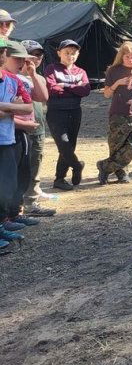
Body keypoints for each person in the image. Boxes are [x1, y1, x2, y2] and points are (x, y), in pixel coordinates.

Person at [4, 41, 49, 232]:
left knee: (21, 175)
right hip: (10, 134)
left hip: (21, 134)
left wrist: (32, 73)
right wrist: (17, 114)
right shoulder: (7, 79)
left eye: (25, 59)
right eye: (18, 59)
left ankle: (15, 213)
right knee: (7, 178)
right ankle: (5, 218)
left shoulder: (19, 79)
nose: (22, 63)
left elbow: (35, 101)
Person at [96, 42, 132, 185]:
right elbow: (106, 94)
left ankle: (104, 167)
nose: (130, 60)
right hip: (118, 113)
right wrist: (117, 83)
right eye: (127, 57)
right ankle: (121, 174)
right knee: (116, 145)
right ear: (121, 56)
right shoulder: (113, 70)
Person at [0, 39, 36, 246]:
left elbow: (28, 108)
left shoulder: (13, 80)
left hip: (7, 139)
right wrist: (12, 107)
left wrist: (5, 107)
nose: (1, 54)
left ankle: (1, 226)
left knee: (6, 186)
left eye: (3, 51)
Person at [44, 39, 91, 191]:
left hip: (75, 111)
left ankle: (59, 178)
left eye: (73, 53)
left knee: (70, 145)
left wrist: (65, 86)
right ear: (59, 53)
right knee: (63, 143)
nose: (70, 56)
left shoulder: (80, 71)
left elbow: (85, 90)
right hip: (56, 112)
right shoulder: (52, 69)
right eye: (67, 53)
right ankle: (77, 165)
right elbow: (52, 89)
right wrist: (74, 88)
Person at [19, 40, 56, 217]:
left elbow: (43, 98)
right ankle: (20, 203)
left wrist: (34, 75)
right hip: (20, 130)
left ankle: (32, 199)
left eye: (39, 55)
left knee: (36, 165)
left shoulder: (39, 77)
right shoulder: (12, 76)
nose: (36, 58)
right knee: (20, 167)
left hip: (38, 129)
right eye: (32, 55)